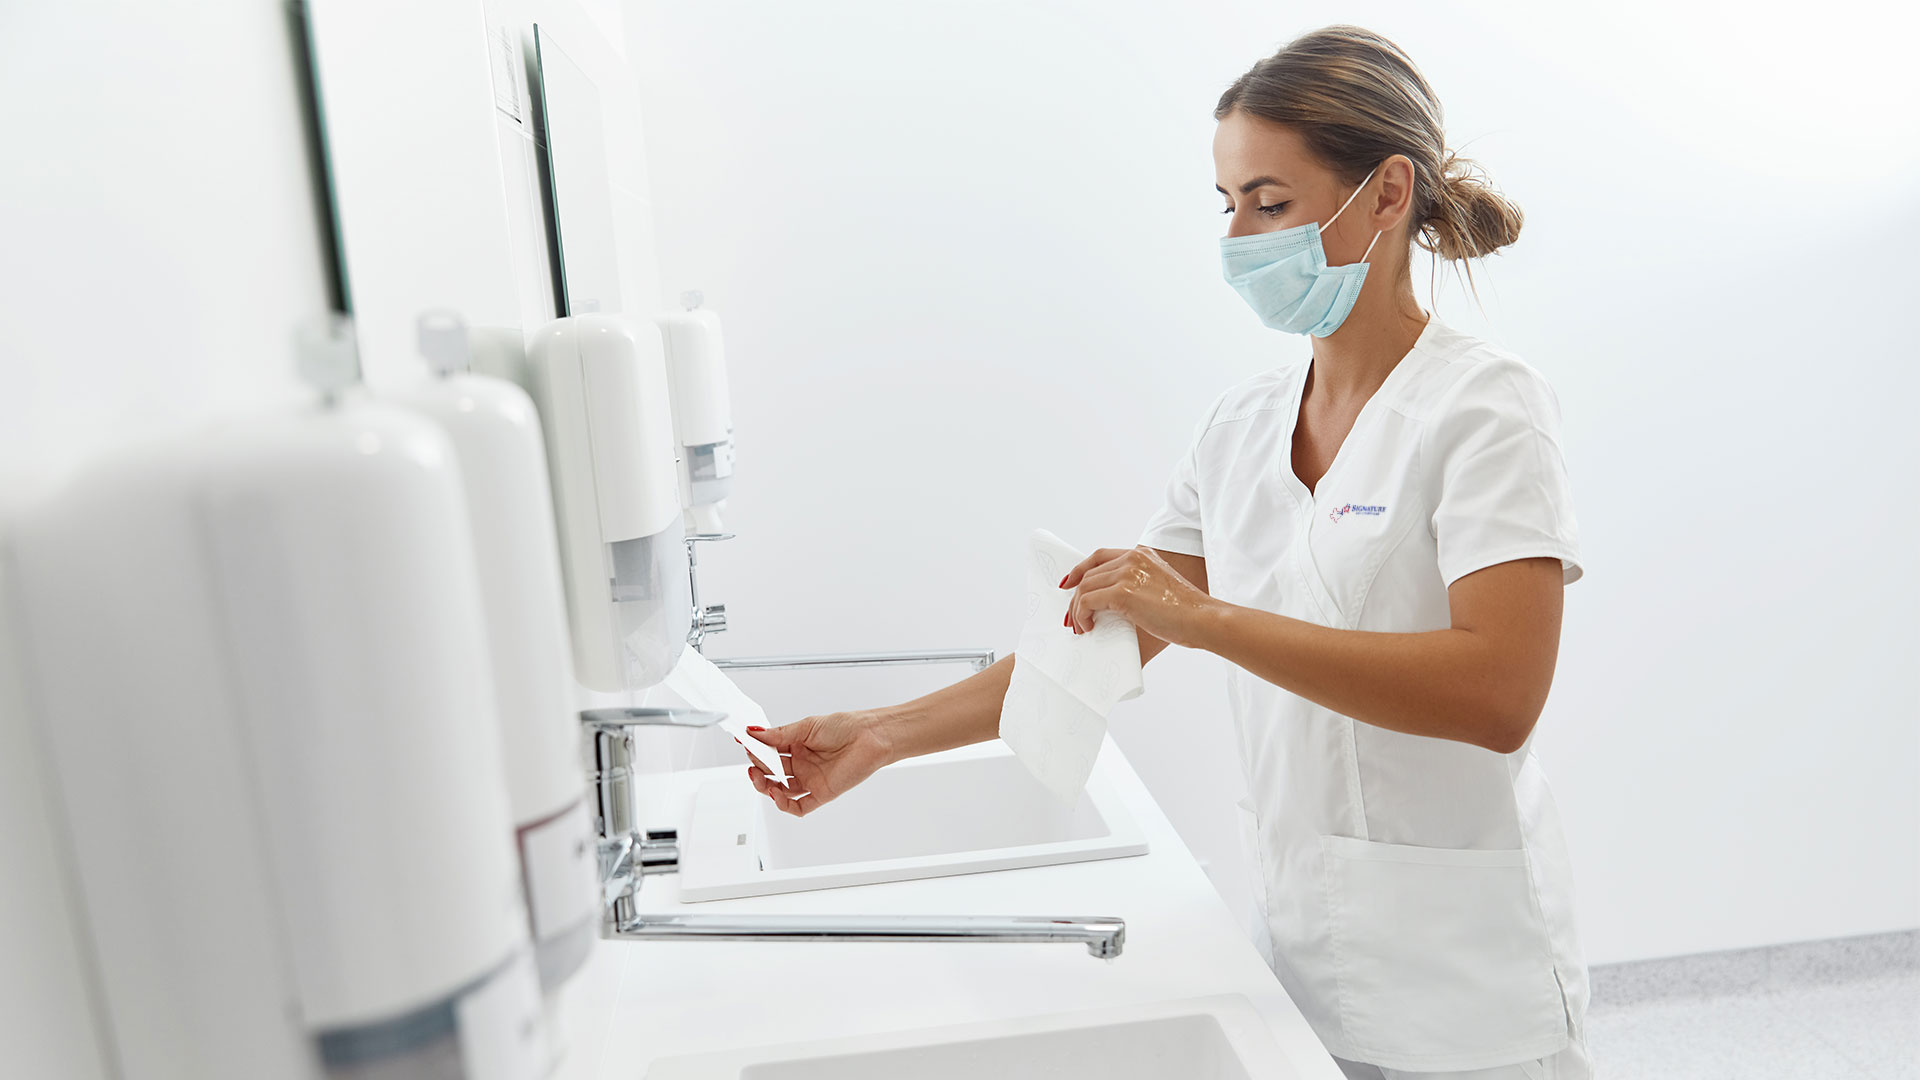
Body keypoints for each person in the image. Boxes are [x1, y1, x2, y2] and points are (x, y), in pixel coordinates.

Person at [740, 24, 1594, 1080]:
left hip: (1468, 975)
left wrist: (1208, 621)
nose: (1239, 236)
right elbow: (1109, 638)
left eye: (1271, 204)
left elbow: (1498, 691)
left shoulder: (1484, 407)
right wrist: (886, 732)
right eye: (1228, 203)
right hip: (1308, 949)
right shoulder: (1242, 426)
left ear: (1385, 195)